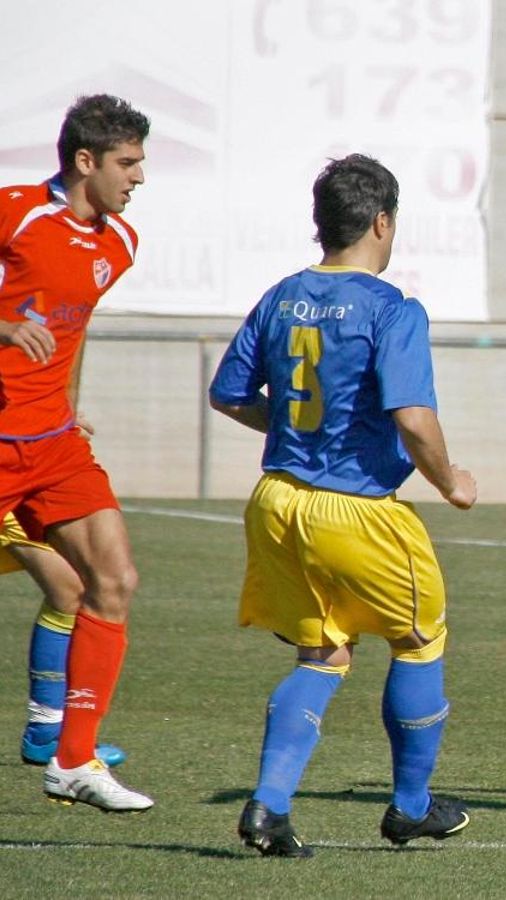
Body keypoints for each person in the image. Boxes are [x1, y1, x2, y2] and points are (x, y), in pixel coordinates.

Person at [209, 154, 478, 857]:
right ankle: (410, 807)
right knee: (419, 641)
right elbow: (413, 417)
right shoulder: (391, 308)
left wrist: (296, 429)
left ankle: (269, 807)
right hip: (355, 509)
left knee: (323, 654)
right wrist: (450, 481)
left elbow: (230, 394)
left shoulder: (281, 296)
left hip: (277, 502)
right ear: (382, 221)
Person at [0, 94, 152, 812]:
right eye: (128, 162)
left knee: (112, 580)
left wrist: (67, 401)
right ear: (85, 161)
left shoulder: (119, 243)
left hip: (51, 443)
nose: (139, 177)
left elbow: (72, 329)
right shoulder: (16, 212)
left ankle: (71, 759)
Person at [6, 514, 126, 767]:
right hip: (10, 496)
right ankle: (46, 732)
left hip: (26, 498)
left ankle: (46, 731)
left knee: (71, 594)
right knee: (69, 592)